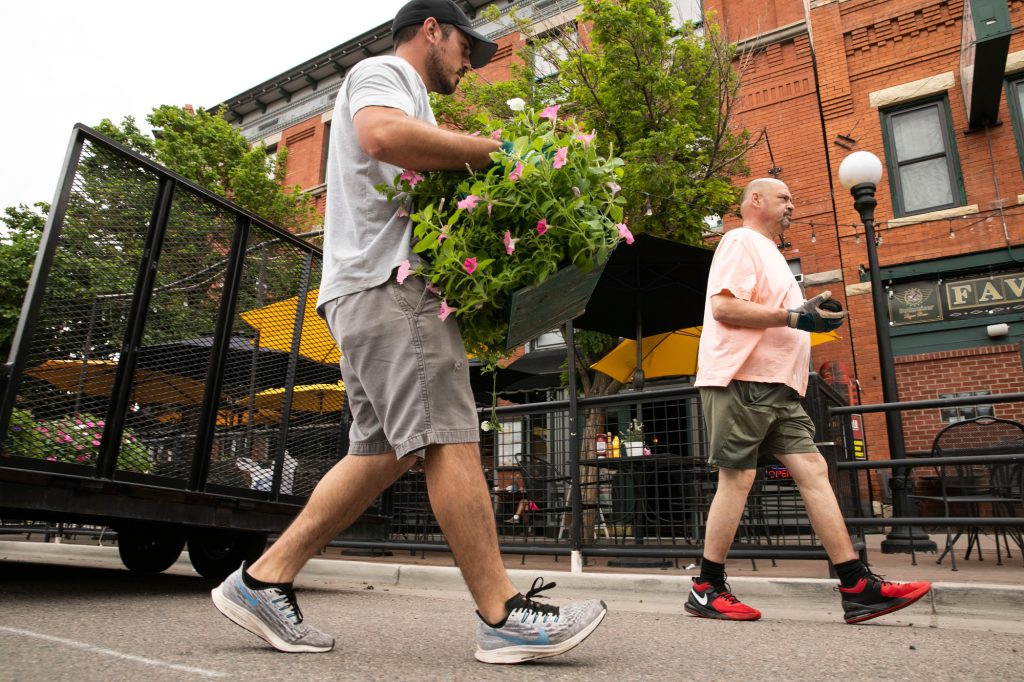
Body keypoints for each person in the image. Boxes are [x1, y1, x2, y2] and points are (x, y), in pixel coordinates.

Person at [210, 0, 606, 664]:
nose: (468, 64)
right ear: (432, 30)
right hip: (388, 286)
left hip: (367, 291)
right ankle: (503, 614)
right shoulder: (383, 75)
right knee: (450, 434)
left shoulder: (411, 97)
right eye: (464, 48)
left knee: (383, 453)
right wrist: (513, 152)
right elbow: (382, 138)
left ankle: (262, 580)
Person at [687, 177, 932, 624]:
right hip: (743, 378)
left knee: (814, 470)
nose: (792, 205)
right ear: (755, 200)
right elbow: (725, 309)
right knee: (738, 478)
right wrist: (795, 316)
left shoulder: (773, 255)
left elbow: (784, 317)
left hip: (781, 386)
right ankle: (706, 587)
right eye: (785, 197)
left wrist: (808, 315)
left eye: (793, 197)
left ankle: (857, 585)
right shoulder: (740, 240)